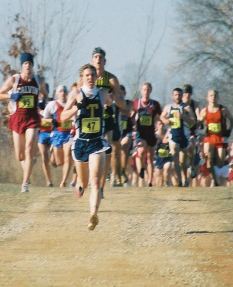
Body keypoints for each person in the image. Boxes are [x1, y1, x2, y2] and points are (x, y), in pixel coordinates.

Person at [61, 64, 125, 230]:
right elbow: (62, 117)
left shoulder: (102, 93)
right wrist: (77, 107)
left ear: (97, 77)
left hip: (97, 142)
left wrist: (111, 113)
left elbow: (113, 106)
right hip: (81, 142)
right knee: (84, 182)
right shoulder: (76, 93)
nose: (90, 78)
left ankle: (93, 215)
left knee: (95, 181)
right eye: (87, 75)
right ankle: (80, 185)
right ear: (82, 78)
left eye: (92, 75)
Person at [0, 52, 46, 192]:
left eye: (30, 64)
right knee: (20, 155)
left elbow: (44, 94)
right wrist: (12, 95)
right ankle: (27, 169)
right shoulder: (14, 80)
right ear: (21, 66)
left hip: (32, 118)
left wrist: (42, 102)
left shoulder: (38, 81)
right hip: (17, 117)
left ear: (33, 65)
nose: (27, 66)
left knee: (29, 148)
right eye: (25, 64)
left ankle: (25, 184)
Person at [90, 47, 126, 190]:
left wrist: (114, 99)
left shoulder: (111, 79)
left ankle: (102, 185)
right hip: (90, 118)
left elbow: (122, 102)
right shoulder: (86, 77)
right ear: (92, 60)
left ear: (105, 61)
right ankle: (91, 178)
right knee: (91, 150)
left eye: (101, 57)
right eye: (96, 57)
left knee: (106, 149)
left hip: (106, 117)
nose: (98, 59)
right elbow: (77, 95)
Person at [198, 89, 233, 185]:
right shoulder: (204, 111)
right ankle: (214, 180)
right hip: (209, 138)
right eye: (211, 95)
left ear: (218, 97)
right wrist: (199, 124)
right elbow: (199, 122)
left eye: (214, 96)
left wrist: (229, 131)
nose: (213, 97)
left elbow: (232, 120)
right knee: (208, 158)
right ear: (207, 98)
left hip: (221, 138)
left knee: (220, 163)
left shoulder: (223, 110)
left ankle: (221, 163)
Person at [161, 87, 196, 186]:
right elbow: (162, 116)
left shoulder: (186, 107)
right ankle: (179, 180)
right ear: (172, 96)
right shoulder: (168, 107)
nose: (178, 97)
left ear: (182, 96)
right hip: (173, 135)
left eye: (180, 95)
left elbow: (193, 121)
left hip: (184, 136)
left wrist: (183, 117)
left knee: (183, 162)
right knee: (174, 156)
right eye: (176, 95)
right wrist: (165, 121)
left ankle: (185, 178)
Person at [43, 85, 74, 188]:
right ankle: (53, 154)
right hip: (57, 134)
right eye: (60, 91)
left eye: (64, 91)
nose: (63, 93)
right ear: (57, 93)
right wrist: (52, 121)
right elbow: (44, 119)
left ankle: (63, 182)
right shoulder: (52, 104)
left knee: (68, 156)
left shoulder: (72, 105)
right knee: (59, 162)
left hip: (69, 134)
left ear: (67, 93)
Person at [134, 82, 162, 186]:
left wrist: (164, 121)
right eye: (144, 89)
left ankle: (150, 181)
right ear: (141, 91)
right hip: (140, 133)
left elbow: (159, 117)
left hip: (150, 133)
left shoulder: (155, 104)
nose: (146, 92)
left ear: (151, 91)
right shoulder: (136, 103)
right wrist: (133, 118)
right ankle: (141, 167)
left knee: (150, 157)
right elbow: (130, 114)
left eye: (148, 90)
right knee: (140, 151)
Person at [37, 82, 54, 187]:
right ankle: (49, 181)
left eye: (45, 90)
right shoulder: (36, 103)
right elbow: (41, 117)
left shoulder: (52, 102)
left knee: (54, 159)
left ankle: (55, 159)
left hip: (53, 132)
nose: (43, 93)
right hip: (42, 133)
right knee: (44, 157)